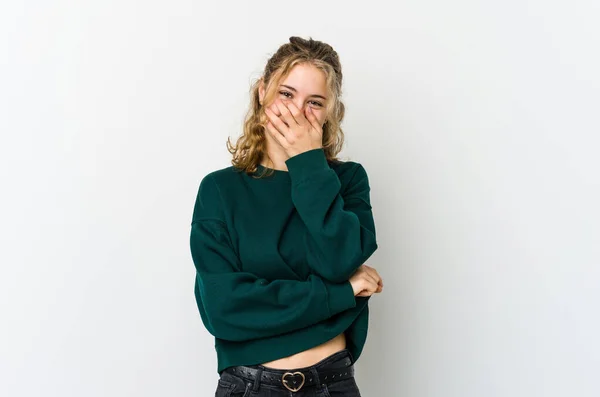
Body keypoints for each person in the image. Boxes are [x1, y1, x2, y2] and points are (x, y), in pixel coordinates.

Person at [189, 36, 384, 397]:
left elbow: (339, 259)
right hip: (249, 386)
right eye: (287, 94)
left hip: (332, 383)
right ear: (262, 92)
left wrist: (307, 163)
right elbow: (225, 309)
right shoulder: (220, 190)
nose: (297, 112)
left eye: (314, 102)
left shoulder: (348, 181)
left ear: (330, 112)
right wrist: (340, 294)